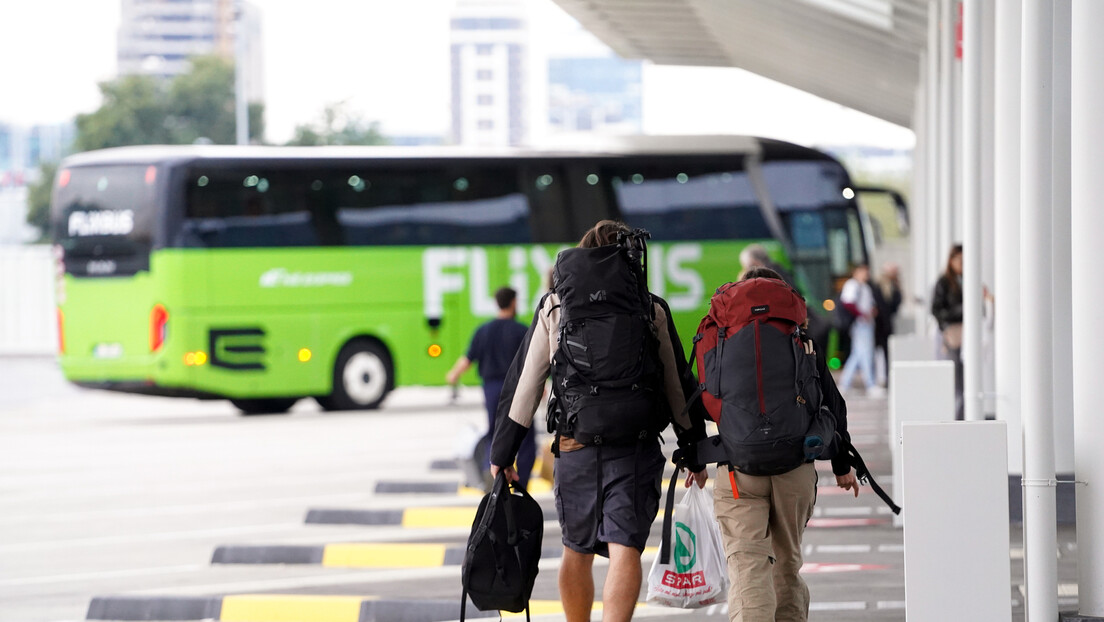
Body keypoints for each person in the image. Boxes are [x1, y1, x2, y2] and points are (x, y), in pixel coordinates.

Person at [489, 220, 707, 622]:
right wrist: (693, 448)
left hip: (576, 444)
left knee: (577, 548)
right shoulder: (650, 306)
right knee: (626, 547)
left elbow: (525, 386)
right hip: (635, 443)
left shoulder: (556, 305)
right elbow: (678, 384)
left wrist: (503, 453)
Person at [713, 266, 858, 622]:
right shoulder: (800, 338)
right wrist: (842, 465)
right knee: (787, 564)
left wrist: (694, 457)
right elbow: (833, 406)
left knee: (748, 565)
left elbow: (700, 398)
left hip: (738, 469)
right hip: (795, 466)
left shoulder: (722, 339)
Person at [445, 287, 534, 488]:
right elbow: (533, 362)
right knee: (525, 434)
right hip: (518, 389)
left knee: (495, 431)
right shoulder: (521, 330)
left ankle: (490, 471)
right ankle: (523, 481)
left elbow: (468, 358)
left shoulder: (483, 331)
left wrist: (454, 374)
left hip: (492, 389)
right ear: (513, 303)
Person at [931, 245, 964, 420]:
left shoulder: (969, 280)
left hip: (966, 336)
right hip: (951, 335)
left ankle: (961, 415)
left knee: (964, 378)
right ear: (951, 260)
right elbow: (936, 310)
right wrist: (961, 311)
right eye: (959, 259)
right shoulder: (944, 282)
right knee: (953, 377)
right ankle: (952, 417)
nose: (962, 263)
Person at [837, 264, 880, 396]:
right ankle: (870, 384)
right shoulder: (852, 285)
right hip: (859, 324)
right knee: (865, 354)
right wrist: (861, 315)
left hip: (867, 324)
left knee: (858, 354)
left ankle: (845, 383)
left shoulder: (865, 287)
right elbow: (848, 303)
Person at [872, 262, 903, 387]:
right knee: (879, 353)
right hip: (880, 325)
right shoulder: (880, 287)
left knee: (884, 353)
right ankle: (881, 378)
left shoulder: (892, 287)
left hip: (885, 324)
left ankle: (884, 378)